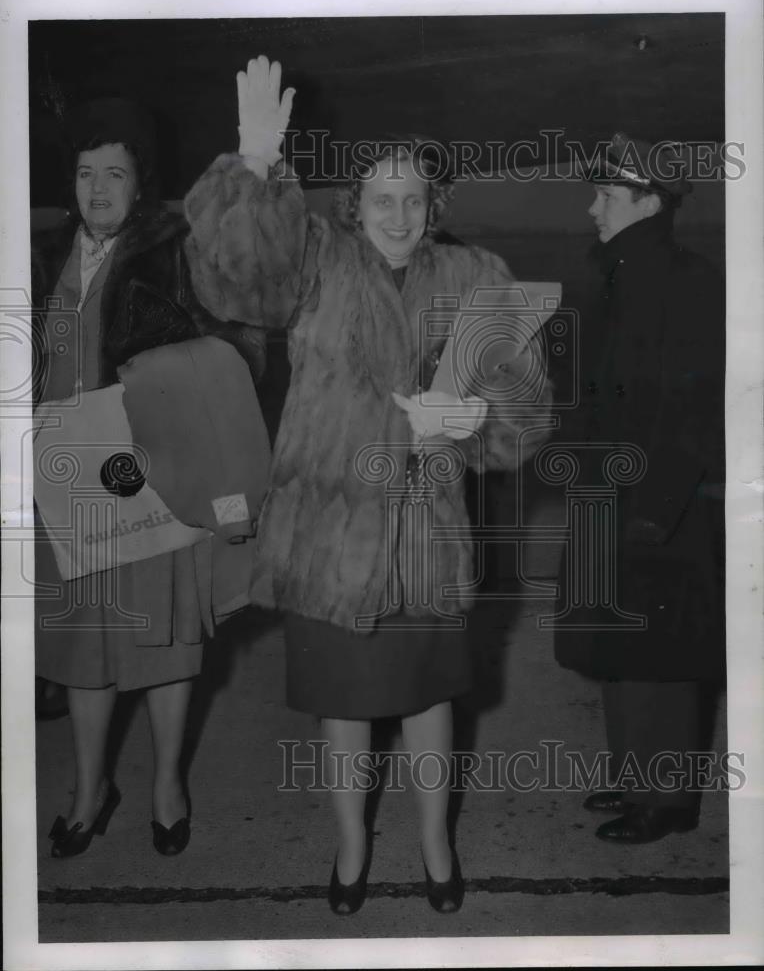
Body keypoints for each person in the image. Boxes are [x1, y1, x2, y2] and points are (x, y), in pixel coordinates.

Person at [184, 56, 554, 913]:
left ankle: (434, 842)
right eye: (381, 198)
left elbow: (524, 408)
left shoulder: (476, 279)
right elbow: (239, 276)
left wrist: (469, 425)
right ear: (355, 203)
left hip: (426, 540)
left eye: (415, 199)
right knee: (342, 709)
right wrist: (255, 164)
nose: (397, 215)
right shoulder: (315, 258)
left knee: (428, 704)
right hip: (330, 542)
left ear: (435, 209)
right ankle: (351, 848)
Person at [33, 97, 265, 859]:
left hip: (149, 474)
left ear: (141, 186)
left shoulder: (174, 250)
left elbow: (230, 348)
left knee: (163, 639)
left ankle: (168, 783)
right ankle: (90, 790)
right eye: (84, 173)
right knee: (82, 645)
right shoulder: (41, 254)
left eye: (115, 174)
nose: (97, 189)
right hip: (67, 473)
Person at [553, 132, 725, 843]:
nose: (593, 208)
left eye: (607, 195)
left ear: (649, 202)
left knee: (661, 650)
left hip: (657, 499)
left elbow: (693, 407)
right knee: (620, 641)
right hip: (613, 489)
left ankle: (668, 802)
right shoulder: (627, 272)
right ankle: (633, 774)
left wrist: (653, 512)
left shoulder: (680, 279)